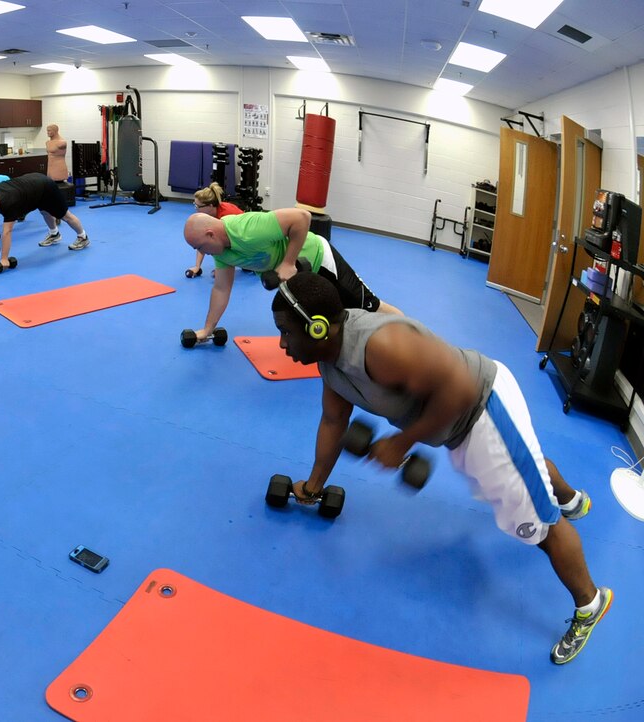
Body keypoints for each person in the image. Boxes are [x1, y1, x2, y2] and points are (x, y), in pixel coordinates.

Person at [271, 271, 611, 665]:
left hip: (482, 408)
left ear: (318, 327)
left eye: (285, 332)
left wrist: (400, 441)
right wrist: (313, 487)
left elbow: (460, 388)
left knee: (535, 524)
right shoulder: (331, 366)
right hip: (460, 430)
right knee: (522, 466)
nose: (281, 343)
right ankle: (569, 498)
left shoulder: (381, 346)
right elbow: (333, 422)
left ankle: (591, 602)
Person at [183, 207, 401, 343]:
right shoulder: (223, 254)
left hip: (318, 259)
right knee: (322, 316)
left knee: (368, 306)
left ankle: (412, 337)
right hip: (298, 279)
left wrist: (287, 262)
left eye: (200, 247)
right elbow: (221, 289)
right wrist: (207, 330)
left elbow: (302, 217)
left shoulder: (247, 229)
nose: (201, 253)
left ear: (210, 234)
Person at [0, 172, 90, 271]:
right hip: (34, 188)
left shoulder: (9, 203)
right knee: (45, 212)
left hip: (46, 187)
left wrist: (4, 259)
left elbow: (7, 232)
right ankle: (54, 234)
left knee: (66, 216)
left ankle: (83, 237)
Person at [185, 182, 243, 278]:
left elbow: (233, 242)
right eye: (194, 205)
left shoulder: (227, 216)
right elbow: (202, 240)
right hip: (236, 239)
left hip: (245, 239)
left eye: (198, 207)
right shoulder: (206, 217)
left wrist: (224, 268)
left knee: (219, 242)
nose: (196, 210)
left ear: (210, 206)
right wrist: (197, 266)